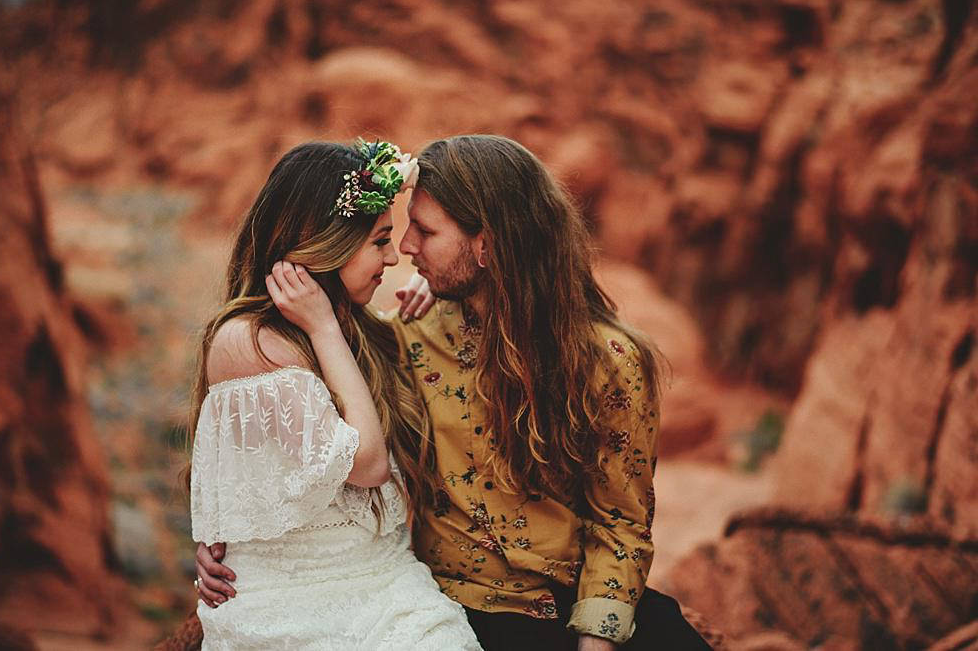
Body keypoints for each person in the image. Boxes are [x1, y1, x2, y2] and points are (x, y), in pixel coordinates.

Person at [198, 135, 711, 650]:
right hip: (451, 608)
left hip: (572, 603)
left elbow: (620, 523)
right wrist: (229, 543)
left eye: (424, 231)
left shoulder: (611, 363)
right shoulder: (404, 338)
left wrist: (595, 641)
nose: (406, 248)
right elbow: (280, 426)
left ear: (487, 245)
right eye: (397, 233)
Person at [187, 139, 481, 650]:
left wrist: (446, 289)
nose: (394, 257)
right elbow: (366, 465)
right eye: (379, 241)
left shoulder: (363, 332)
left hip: (387, 584)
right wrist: (323, 329)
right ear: (325, 244)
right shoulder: (249, 340)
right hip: (297, 602)